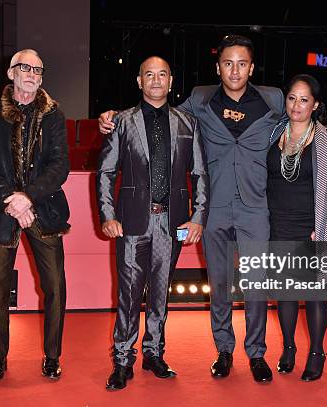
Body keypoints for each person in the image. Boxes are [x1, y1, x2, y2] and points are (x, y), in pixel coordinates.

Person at [99, 34, 327, 382]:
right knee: (219, 286)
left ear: (251, 67)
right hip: (214, 209)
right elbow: (160, 113)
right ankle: (224, 351)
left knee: (256, 285)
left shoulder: (273, 100)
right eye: (228, 63)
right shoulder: (200, 100)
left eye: (242, 63)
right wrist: (112, 116)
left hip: (256, 209)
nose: (235, 70)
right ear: (218, 67)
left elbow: (302, 117)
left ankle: (257, 353)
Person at [97, 56, 209, 390]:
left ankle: (154, 353)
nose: (156, 80)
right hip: (131, 222)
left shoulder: (188, 123)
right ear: (139, 81)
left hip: (172, 222)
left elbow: (200, 173)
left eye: (162, 75)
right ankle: (122, 359)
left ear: (171, 82)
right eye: (150, 75)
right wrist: (107, 215)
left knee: (161, 293)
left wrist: (198, 216)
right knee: (129, 294)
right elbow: (106, 172)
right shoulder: (122, 121)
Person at [0, 49, 70, 382]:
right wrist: (10, 199)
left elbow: (59, 167)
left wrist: (28, 198)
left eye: (38, 69)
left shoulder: (54, 116)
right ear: (11, 73)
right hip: (0, 213)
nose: (32, 74)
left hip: (44, 209)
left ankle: (53, 356)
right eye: (25, 67)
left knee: (55, 286)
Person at [267, 74, 327, 381]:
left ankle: (316, 352)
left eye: (304, 100)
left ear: (315, 105)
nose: (297, 105)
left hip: (314, 228)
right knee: (286, 293)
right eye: (292, 98)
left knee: (316, 294)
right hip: (278, 225)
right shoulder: (272, 132)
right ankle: (289, 347)